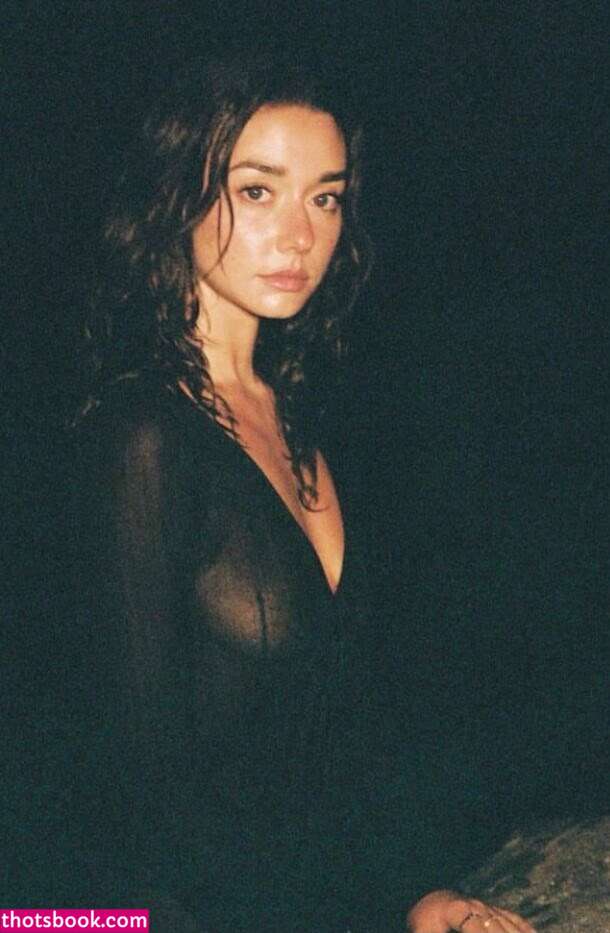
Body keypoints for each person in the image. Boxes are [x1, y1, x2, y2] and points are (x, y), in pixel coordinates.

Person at [38, 56, 535, 933]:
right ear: (177, 195)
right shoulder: (142, 441)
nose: (302, 235)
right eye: (259, 191)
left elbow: (341, 737)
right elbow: (125, 810)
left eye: (326, 197)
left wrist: (415, 893)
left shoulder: (299, 409)